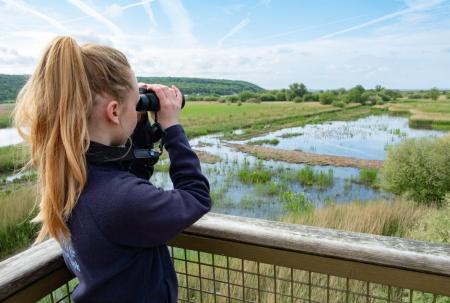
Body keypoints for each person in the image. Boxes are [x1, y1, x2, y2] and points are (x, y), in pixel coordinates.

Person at [13, 36, 211, 302]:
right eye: (135, 104)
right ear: (114, 112)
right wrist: (172, 128)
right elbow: (196, 196)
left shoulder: (71, 176)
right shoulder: (117, 198)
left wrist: (138, 124)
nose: (137, 108)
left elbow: (128, 177)